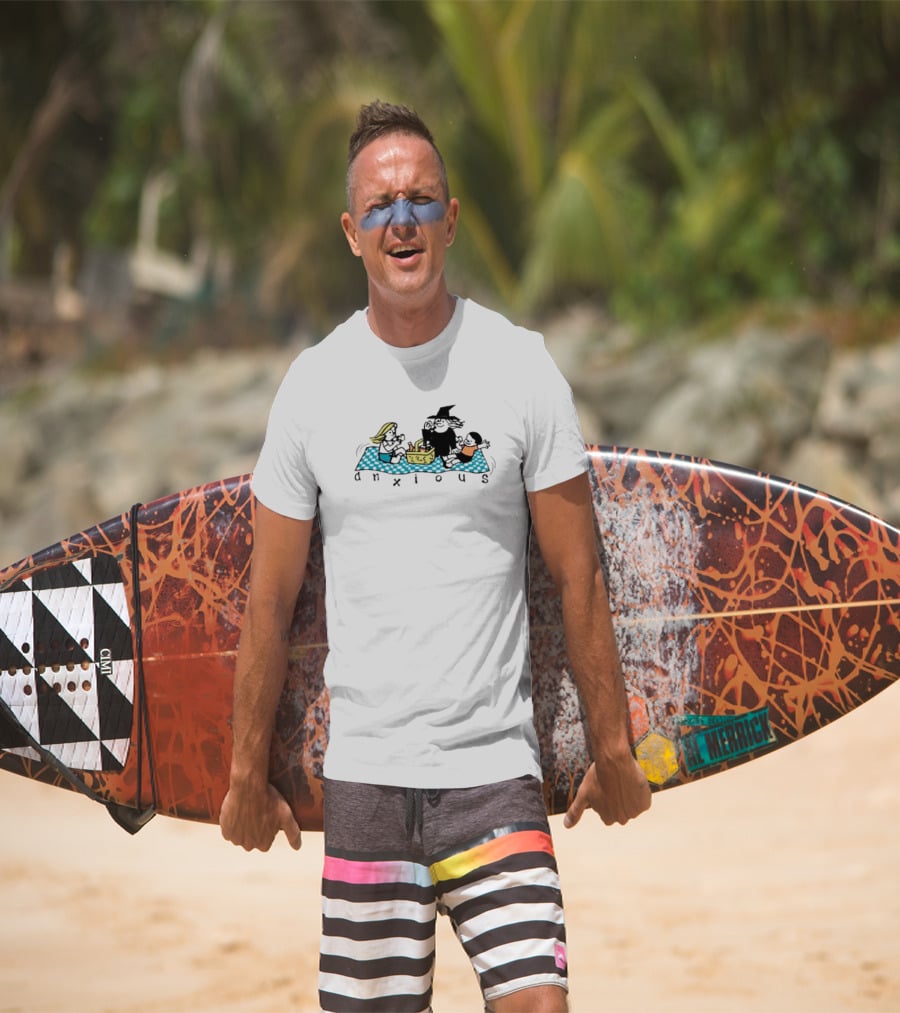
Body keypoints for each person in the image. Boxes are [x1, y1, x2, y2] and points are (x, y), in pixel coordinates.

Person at [220, 100, 651, 1013]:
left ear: (450, 219)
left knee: (540, 1004)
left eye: (420, 200)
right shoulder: (314, 387)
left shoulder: (521, 368)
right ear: (352, 233)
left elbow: (578, 574)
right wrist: (244, 772)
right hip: (367, 781)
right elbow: (270, 599)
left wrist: (612, 745)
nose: (402, 221)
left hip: (495, 776)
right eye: (380, 206)